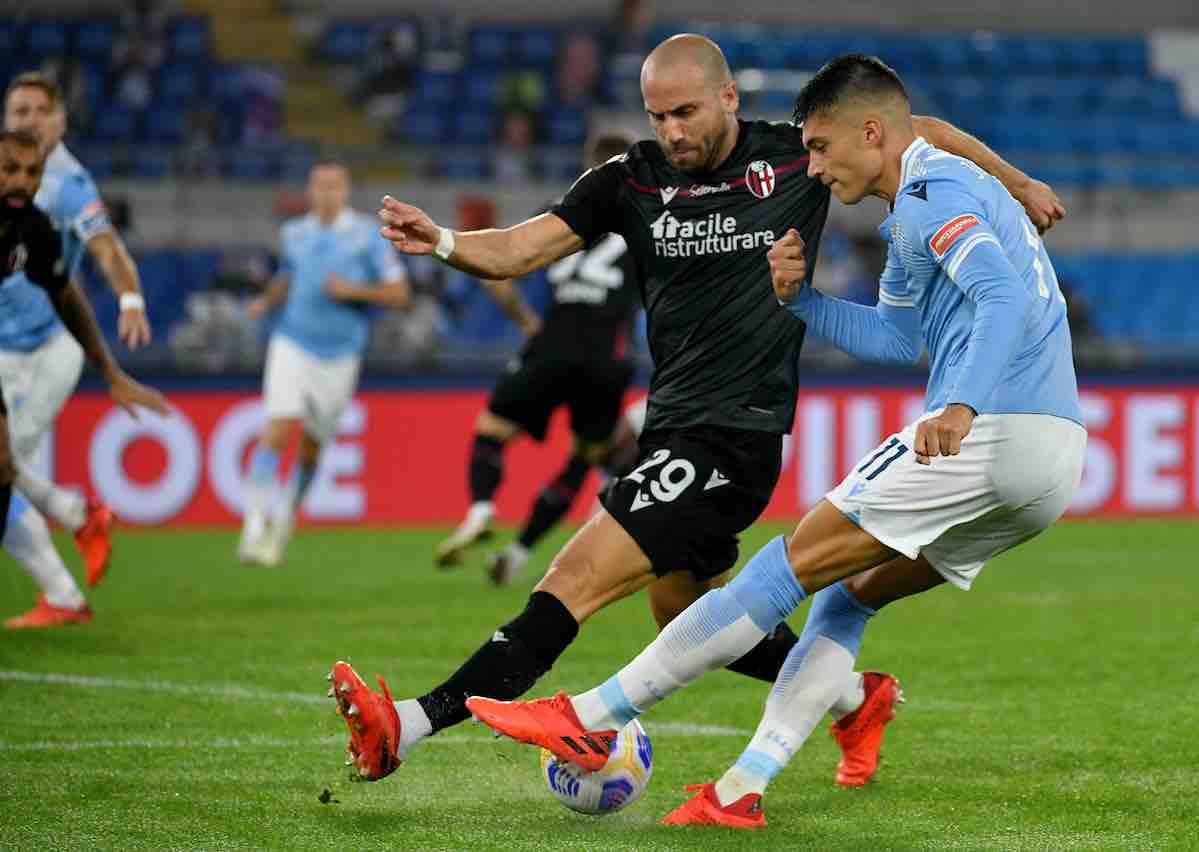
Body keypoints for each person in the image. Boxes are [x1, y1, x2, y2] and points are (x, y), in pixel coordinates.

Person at [329, 34, 1066, 786]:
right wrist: (445, 241)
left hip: (736, 431)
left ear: (728, 99)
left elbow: (918, 133)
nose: (672, 130)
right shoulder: (627, 179)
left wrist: (1017, 182)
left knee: (577, 573)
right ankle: (853, 697)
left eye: (685, 111)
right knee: (681, 610)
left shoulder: (797, 155)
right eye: (658, 116)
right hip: (669, 423)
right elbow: (520, 249)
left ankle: (411, 726)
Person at [437, 131, 642, 586]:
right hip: (607, 358)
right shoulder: (645, 217)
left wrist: (525, 319)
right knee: (584, 458)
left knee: (492, 431)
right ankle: (520, 550)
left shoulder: (561, 209)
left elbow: (496, 274)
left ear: (589, 165)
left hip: (552, 344)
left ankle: (481, 508)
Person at [1, 73, 154, 628]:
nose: (29, 119)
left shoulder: (67, 183)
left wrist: (130, 297)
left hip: (49, 347)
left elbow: (106, 249)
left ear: (59, 121)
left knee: (2, 468)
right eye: (20, 108)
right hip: (2, 349)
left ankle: (64, 589)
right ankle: (76, 517)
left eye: (41, 110)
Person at [240, 160, 410, 566]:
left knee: (312, 450)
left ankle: (284, 518)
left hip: (340, 355)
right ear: (310, 189)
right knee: (278, 426)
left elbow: (400, 294)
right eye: (319, 185)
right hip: (292, 342)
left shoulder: (368, 235)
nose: (326, 193)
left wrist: (352, 290)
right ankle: (253, 525)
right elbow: (290, 275)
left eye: (334, 185)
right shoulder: (293, 233)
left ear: (346, 190)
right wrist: (268, 300)